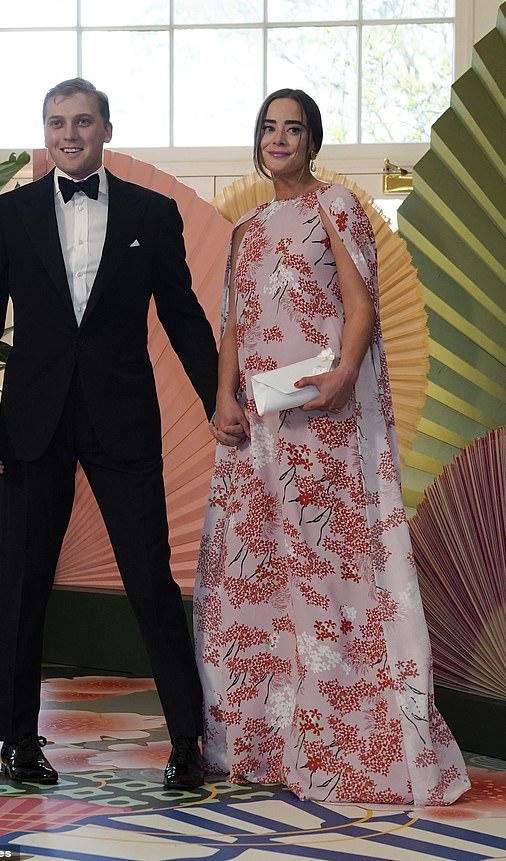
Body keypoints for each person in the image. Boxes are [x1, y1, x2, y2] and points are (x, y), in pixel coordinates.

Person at [194, 88, 471, 806]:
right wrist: (221, 397)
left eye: (293, 129)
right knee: (258, 569)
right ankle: (263, 735)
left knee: (329, 567)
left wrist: (345, 372)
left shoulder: (336, 206)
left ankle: (346, 738)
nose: (278, 138)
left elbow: (362, 306)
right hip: (256, 429)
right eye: (268, 127)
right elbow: (233, 325)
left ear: (313, 142)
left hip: (321, 421)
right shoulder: (246, 230)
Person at [0, 78, 217, 789]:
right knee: (23, 581)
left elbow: (184, 317)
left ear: (107, 128)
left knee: (152, 581)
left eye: (81, 121)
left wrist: (217, 399)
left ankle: (186, 741)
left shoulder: (153, 212)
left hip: (123, 418)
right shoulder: (6, 215)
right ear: (45, 132)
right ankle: (16, 740)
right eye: (55, 123)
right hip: (34, 421)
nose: (68, 134)